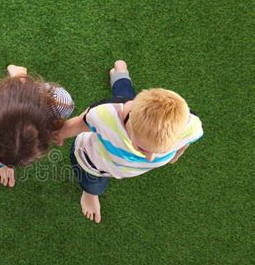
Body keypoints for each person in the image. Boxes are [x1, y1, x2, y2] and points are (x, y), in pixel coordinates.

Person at [59, 60, 203, 223]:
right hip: (94, 162)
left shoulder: (190, 125)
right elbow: (78, 124)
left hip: (131, 117)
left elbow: (188, 140)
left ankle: (120, 73)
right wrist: (59, 135)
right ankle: (90, 193)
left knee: (127, 96)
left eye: (163, 150)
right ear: (131, 128)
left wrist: (177, 152)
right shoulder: (104, 115)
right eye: (143, 149)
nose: (150, 158)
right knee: (92, 182)